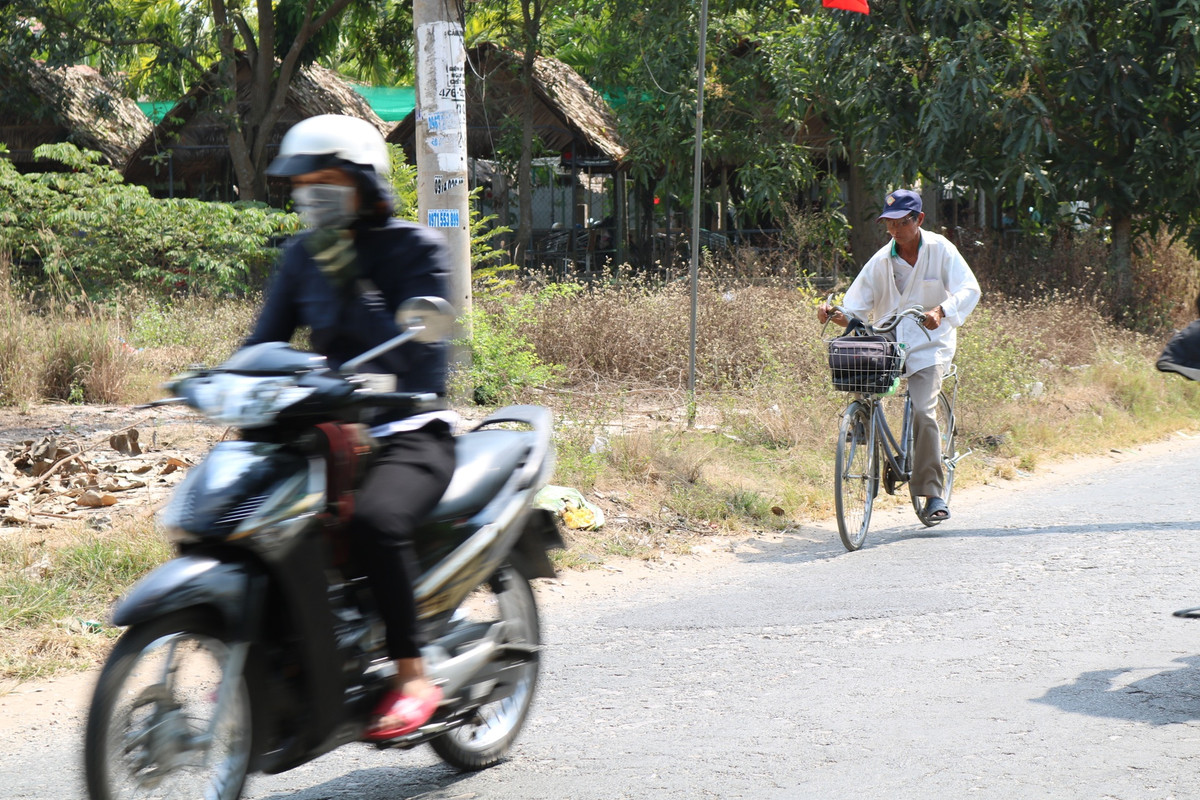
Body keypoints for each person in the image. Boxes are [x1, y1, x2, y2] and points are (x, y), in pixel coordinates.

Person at [245, 114, 457, 740]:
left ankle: (412, 674)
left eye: (326, 177)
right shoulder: (301, 255)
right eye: (301, 181)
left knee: (374, 523)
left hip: (407, 430)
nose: (311, 190)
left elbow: (420, 361)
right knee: (249, 521)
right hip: (322, 433)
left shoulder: (414, 249)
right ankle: (251, 655)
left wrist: (349, 279)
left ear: (363, 181)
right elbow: (263, 344)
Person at [819, 188, 981, 522]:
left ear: (918, 219)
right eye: (888, 223)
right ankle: (861, 421)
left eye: (900, 222)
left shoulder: (940, 250)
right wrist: (834, 313)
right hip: (890, 343)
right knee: (856, 359)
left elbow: (970, 289)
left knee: (923, 411)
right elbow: (855, 307)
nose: (894, 230)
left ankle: (933, 493)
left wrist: (943, 309)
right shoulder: (880, 261)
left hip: (929, 345)